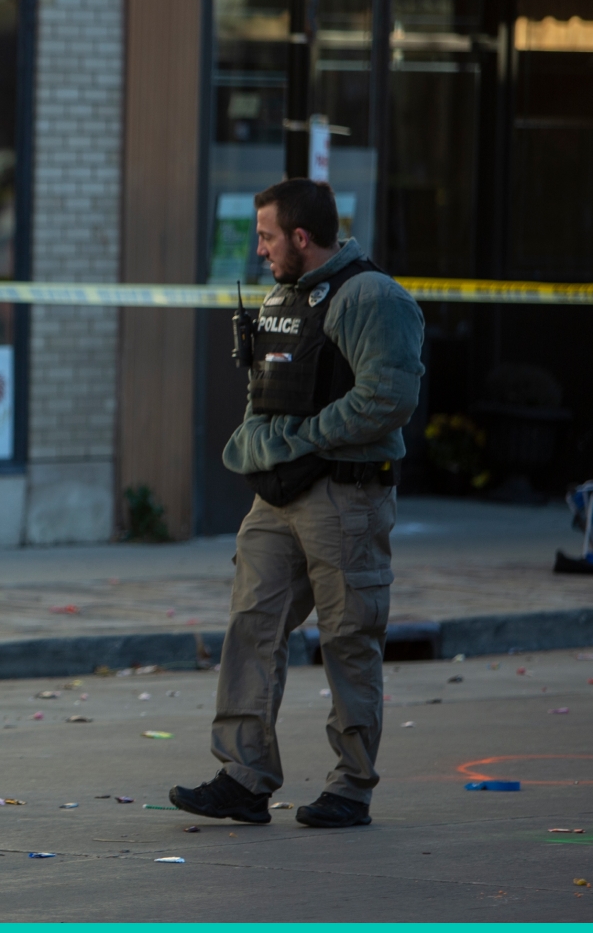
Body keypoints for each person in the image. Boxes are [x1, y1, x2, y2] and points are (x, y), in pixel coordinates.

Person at [170, 178, 424, 829]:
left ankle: (352, 785)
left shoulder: (370, 296)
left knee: (348, 637)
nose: (259, 249)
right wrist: (261, 447)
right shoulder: (286, 296)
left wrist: (299, 441)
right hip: (281, 495)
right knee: (252, 624)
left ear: (301, 238)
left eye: (267, 236)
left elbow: (387, 399)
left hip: (346, 493)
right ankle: (244, 776)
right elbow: (268, 389)